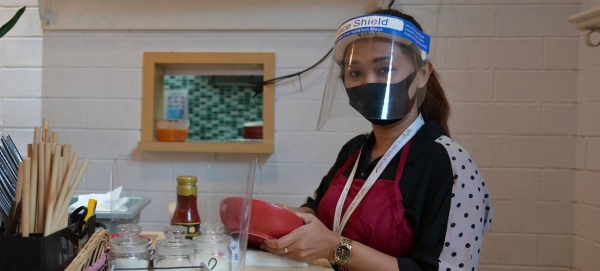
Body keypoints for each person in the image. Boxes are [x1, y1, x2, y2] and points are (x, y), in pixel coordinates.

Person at [261, 8, 494, 271]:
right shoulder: (354, 150)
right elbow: (320, 211)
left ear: (422, 74)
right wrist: (276, 218)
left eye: (385, 68)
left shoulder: (449, 164)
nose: (369, 82)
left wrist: (335, 248)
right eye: (356, 73)